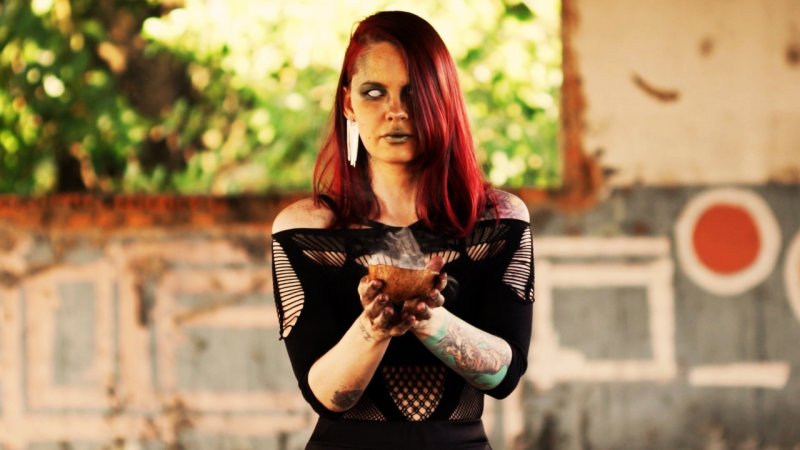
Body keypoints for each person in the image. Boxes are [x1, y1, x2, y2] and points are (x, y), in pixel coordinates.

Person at [270, 10, 534, 450]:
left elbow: (505, 376)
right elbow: (324, 396)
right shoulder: (306, 229)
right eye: (374, 92)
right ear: (349, 104)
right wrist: (373, 329)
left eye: (413, 92)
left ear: (442, 99)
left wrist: (429, 320)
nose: (395, 111)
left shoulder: (498, 219)